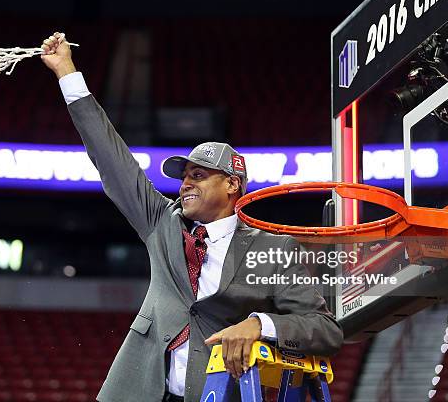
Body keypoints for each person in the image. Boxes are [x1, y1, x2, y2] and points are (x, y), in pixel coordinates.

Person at [40, 32, 343, 402]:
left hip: (213, 393)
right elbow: (110, 157)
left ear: (232, 184)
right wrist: (67, 73)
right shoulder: (162, 222)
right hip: (137, 391)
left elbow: (325, 330)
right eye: (183, 177)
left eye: (198, 176)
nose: (185, 185)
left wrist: (257, 324)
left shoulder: (273, 250)